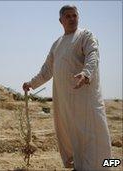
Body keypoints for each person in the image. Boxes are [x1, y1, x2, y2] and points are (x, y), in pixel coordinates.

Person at [22, 5, 111, 170]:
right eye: (68, 16)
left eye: (74, 16)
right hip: (65, 103)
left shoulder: (85, 35)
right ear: (60, 21)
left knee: (93, 136)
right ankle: (80, 166)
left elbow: (93, 55)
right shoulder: (57, 44)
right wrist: (31, 84)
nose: (72, 19)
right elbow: (47, 71)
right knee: (73, 137)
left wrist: (86, 73)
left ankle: (108, 165)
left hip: (86, 99)